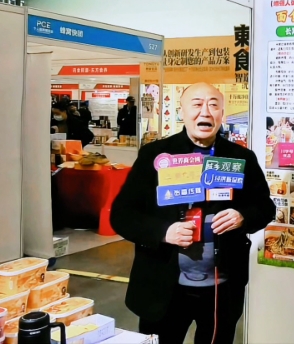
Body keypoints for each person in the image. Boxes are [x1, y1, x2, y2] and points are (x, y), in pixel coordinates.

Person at [110, 82, 275, 344]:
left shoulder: (240, 158)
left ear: (222, 114)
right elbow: (122, 214)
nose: (205, 111)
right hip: (163, 287)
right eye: (197, 104)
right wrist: (163, 232)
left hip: (222, 289)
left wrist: (242, 216)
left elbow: (265, 208)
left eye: (213, 105)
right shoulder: (156, 155)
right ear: (182, 112)